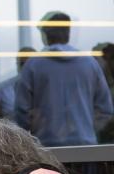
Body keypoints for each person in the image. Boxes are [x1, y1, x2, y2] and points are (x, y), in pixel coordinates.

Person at [15, 11, 113, 146]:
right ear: (68, 33)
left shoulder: (33, 65)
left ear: (45, 35)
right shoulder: (89, 64)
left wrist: (36, 133)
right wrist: (85, 128)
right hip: (85, 145)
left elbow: (22, 110)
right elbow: (105, 109)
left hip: (46, 146)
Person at [0, 47, 35, 120]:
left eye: (30, 64)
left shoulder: (46, 89)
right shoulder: (3, 88)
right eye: (22, 64)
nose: (26, 67)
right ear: (17, 64)